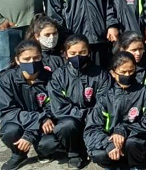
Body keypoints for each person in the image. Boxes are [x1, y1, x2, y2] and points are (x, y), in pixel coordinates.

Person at [48, 34, 113, 169]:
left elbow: (104, 103)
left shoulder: (100, 74)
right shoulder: (58, 76)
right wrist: (83, 114)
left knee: (102, 156)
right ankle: (74, 152)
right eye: (73, 53)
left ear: (88, 51)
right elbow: (59, 108)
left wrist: (91, 116)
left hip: (94, 121)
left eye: (82, 52)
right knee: (65, 125)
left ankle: (93, 147)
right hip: (72, 120)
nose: (78, 56)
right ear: (66, 54)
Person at [84, 52, 146, 169]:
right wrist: (108, 144)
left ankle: (136, 166)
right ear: (113, 73)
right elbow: (91, 129)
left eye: (131, 71)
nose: (127, 75)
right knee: (99, 153)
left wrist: (124, 130)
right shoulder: (105, 98)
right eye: (123, 72)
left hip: (135, 141)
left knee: (132, 143)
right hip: (111, 143)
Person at [0, 40, 60, 170]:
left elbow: (54, 106)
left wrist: (30, 133)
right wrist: (40, 119)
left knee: (49, 143)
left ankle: (43, 152)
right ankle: (18, 154)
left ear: (41, 57)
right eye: (26, 59)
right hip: (20, 122)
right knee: (9, 131)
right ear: (18, 60)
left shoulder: (51, 78)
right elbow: (8, 111)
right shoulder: (7, 79)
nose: (32, 62)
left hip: (45, 124)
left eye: (36, 57)